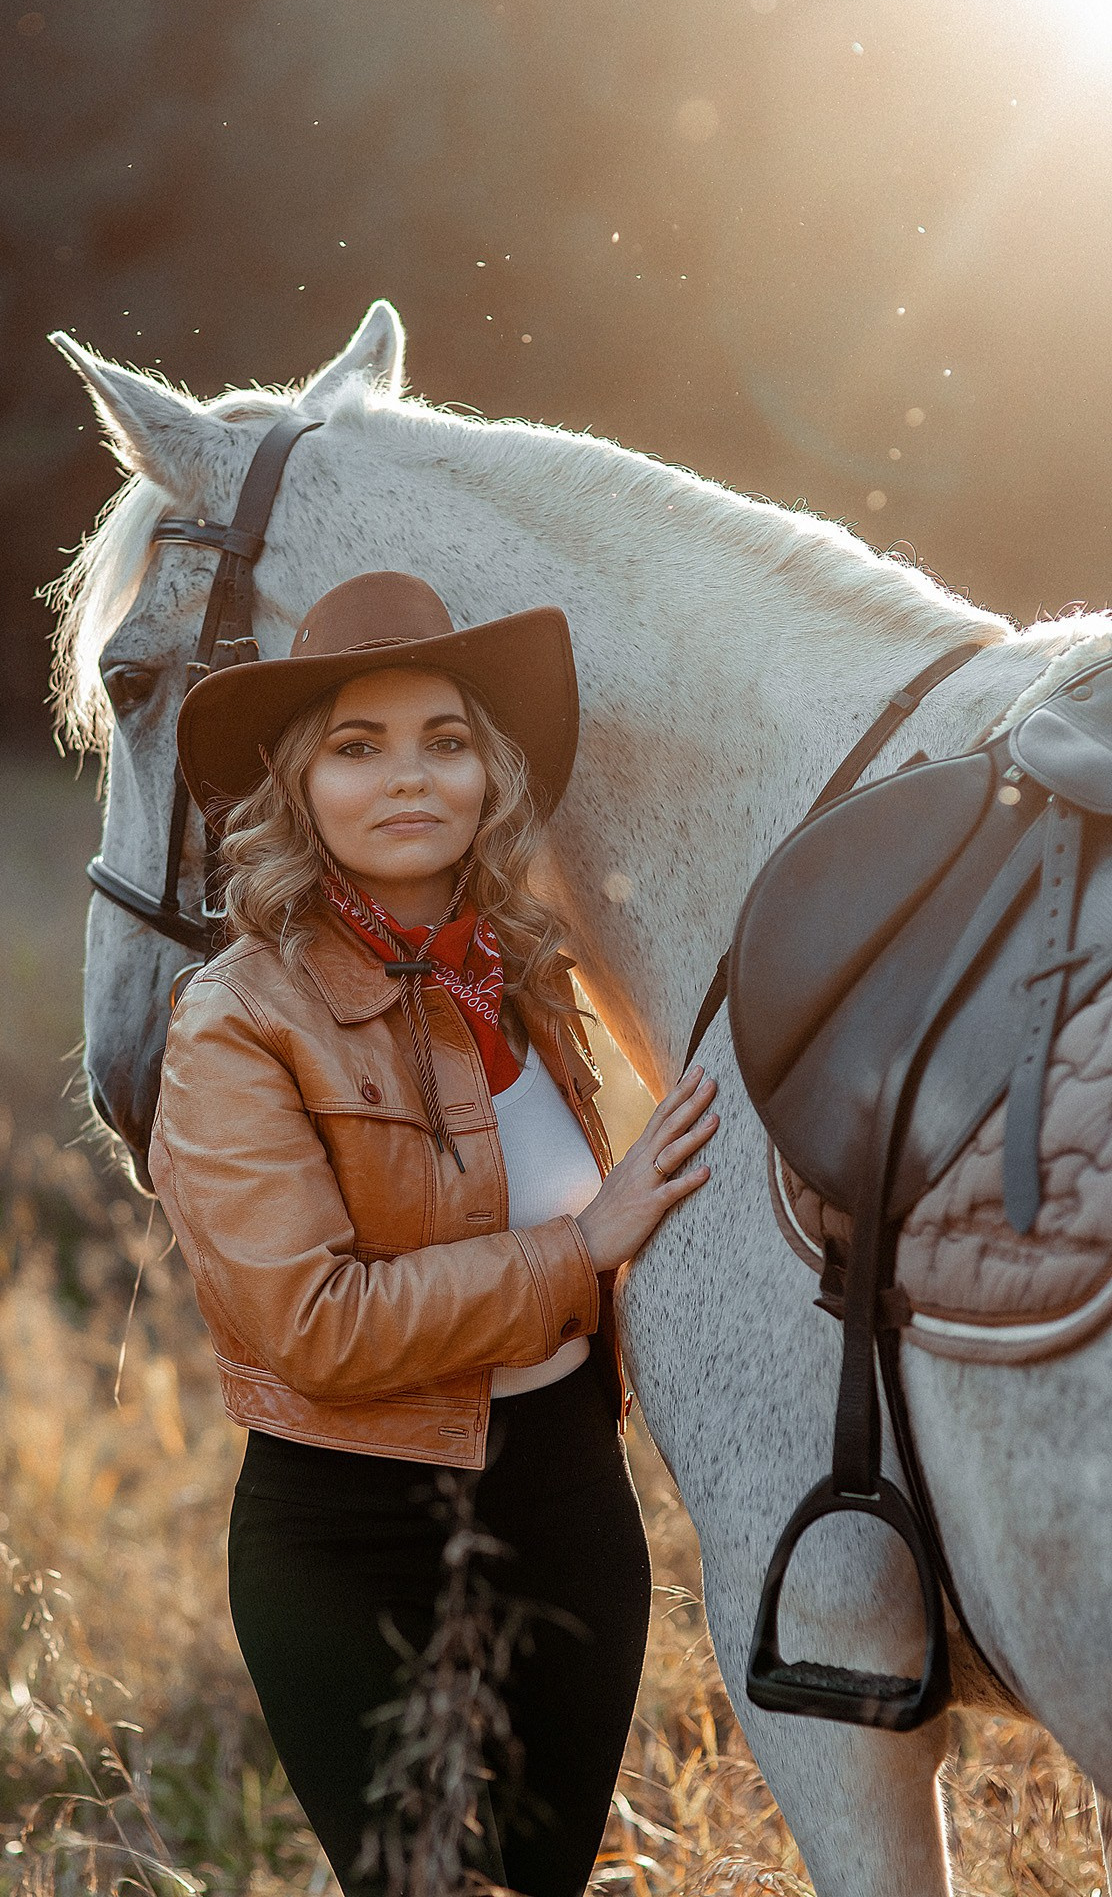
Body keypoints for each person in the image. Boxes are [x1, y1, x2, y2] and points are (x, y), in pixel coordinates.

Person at [148, 571, 719, 1897]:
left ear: (489, 778)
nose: (408, 778)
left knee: (538, 1883)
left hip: (567, 1498)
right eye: (358, 747)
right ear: (297, 787)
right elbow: (313, 1327)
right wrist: (584, 1251)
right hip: (350, 1532)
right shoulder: (236, 1018)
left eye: (445, 742)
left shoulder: (522, 974)